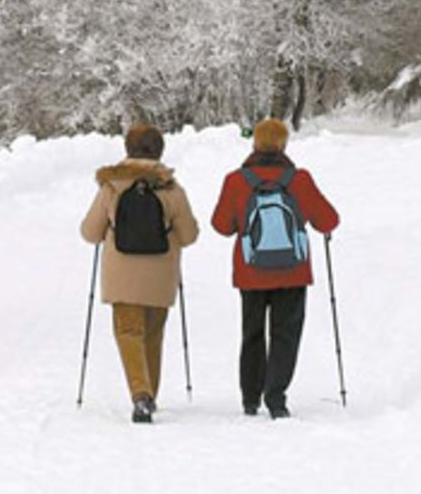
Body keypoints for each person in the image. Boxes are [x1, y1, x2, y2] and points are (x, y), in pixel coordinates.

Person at [210, 118, 339, 419]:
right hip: (292, 272)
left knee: (252, 333)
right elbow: (328, 220)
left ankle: (250, 398)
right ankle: (276, 396)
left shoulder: (236, 180)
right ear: (284, 145)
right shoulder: (300, 180)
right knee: (286, 334)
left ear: (254, 143)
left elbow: (220, 226)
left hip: (251, 272)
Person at [79, 124, 199, 424]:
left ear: (127, 149)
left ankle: (140, 394)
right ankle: (149, 395)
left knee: (128, 333)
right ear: (159, 150)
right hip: (160, 278)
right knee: (153, 336)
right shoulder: (170, 187)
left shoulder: (112, 186)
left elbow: (89, 232)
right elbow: (189, 235)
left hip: (121, 277)